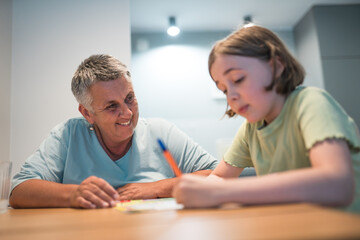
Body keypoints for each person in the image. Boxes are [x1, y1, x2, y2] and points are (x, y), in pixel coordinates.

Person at [173, 25, 360, 213]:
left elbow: (337, 185)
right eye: (224, 90)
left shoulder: (311, 102)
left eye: (238, 79)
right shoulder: (251, 128)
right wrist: (197, 190)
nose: (231, 96)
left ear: (277, 66)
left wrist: (222, 192)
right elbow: (220, 178)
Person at [10, 54, 218, 209]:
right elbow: (19, 191)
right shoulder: (68, 135)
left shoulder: (161, 132)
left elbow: (218, 175)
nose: (127, 113)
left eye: (130, 98)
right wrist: (74, 194)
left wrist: (158, 187)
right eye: (112, 106)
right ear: (87, 113)